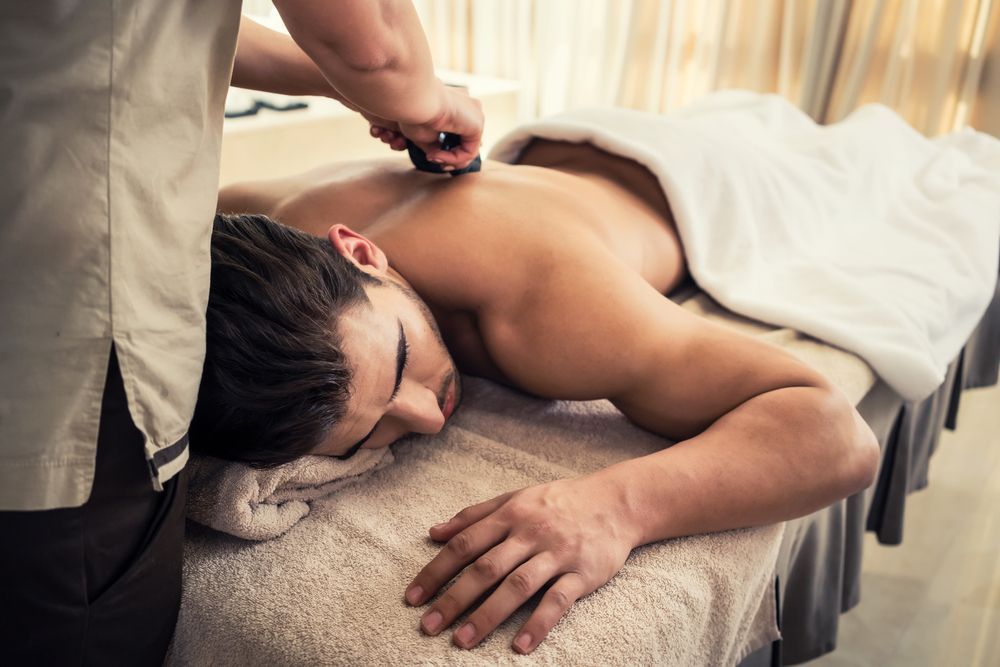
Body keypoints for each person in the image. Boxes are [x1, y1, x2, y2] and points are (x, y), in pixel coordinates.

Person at [195, 139, 881, 655]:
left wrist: (617, 506)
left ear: (361, 253)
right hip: (549, 159)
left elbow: (834, 434)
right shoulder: (231, 230)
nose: (429, 416)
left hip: (701, 174)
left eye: (402, 357)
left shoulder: (548, 308)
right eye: (366, 434)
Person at [0, 1, 483, 663]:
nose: (429, 420)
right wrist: (428, 98)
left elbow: (168, 25)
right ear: (359, 250)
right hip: (66, 308)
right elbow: (376, 45)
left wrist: (343, 82)